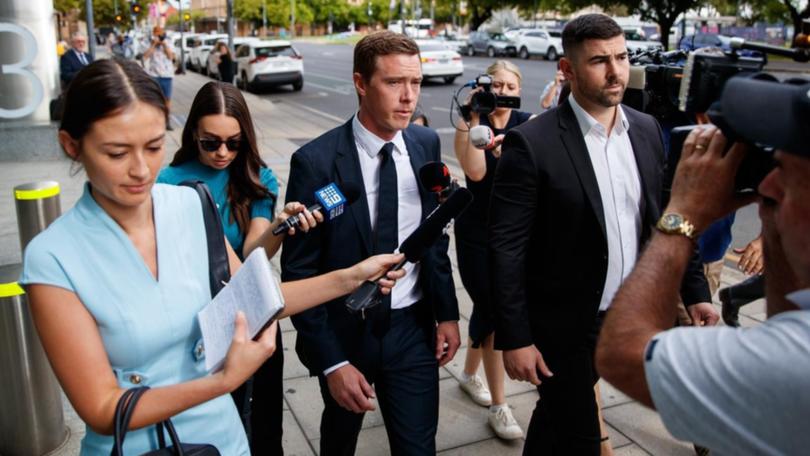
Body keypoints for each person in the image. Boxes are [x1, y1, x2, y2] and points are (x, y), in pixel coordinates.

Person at [19, 58, 406, 456]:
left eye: (153, 147)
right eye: (116, 153)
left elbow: (257, 299)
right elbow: (102, 409)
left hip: (224, 440)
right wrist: (221, 382)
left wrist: (352, 276)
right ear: (71, 145)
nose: (140, 170)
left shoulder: (190, 203)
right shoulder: (53, 258)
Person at [488, 14, 716, 455]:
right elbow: (506, 248)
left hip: (630, 314)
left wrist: (695, 291)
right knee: (582, 439)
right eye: (599, 61)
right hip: (565, 324)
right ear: (568, 70)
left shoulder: (646, 129)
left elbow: (668, 217)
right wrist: (515, 338)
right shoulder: (532, 143)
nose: (616, 72)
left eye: (622, 57)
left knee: (554, 421)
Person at [595, 76, 810, 455]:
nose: (769, 186)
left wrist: (683, 216)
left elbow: (621, 353)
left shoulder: (793, 364)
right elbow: (788, 315)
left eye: (788, 174)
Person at [281, 31, 460, 455]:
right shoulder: (316, 161)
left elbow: (434, 238)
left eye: (415, 83)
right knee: (340, 442)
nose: (408, 97)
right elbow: (299, 273)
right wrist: (333, 363)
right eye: (394, 83)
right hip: (345, 332)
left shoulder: (425, 143)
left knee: (418, 448)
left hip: (412, 329)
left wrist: (448, 315)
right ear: (361, 83)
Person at [157, 80, 308, 454]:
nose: (223, 152)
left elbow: (255, 254)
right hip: (196, 324)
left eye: (233, 142)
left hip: (250, 319)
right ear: (193, 133)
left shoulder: (256, 175)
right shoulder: (168, 182)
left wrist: (280, 225)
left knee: (264, 426)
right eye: (211, 142)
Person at [452, 59, 533, 440]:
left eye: (507, 84)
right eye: (493, 84)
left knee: (487, 311)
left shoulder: (530, 124)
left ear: (518, 87)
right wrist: (472, 120)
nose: (500, 91)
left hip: (516, 236)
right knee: (495, 313)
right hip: (477, 236)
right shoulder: (470, 126)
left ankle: (469, 375)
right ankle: (500, 406)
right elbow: (476, 173)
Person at [143, 26, 175, 114]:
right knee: (154, 98)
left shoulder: (168, 42)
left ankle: (167, 119)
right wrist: (153, 44)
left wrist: (164, 45)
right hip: (153, 75)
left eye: (160, 35)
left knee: (167, 98)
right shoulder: (149, 43)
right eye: (156, 35)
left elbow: (171, 57)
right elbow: (145, 56)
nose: (158, 37)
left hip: (167, 75)